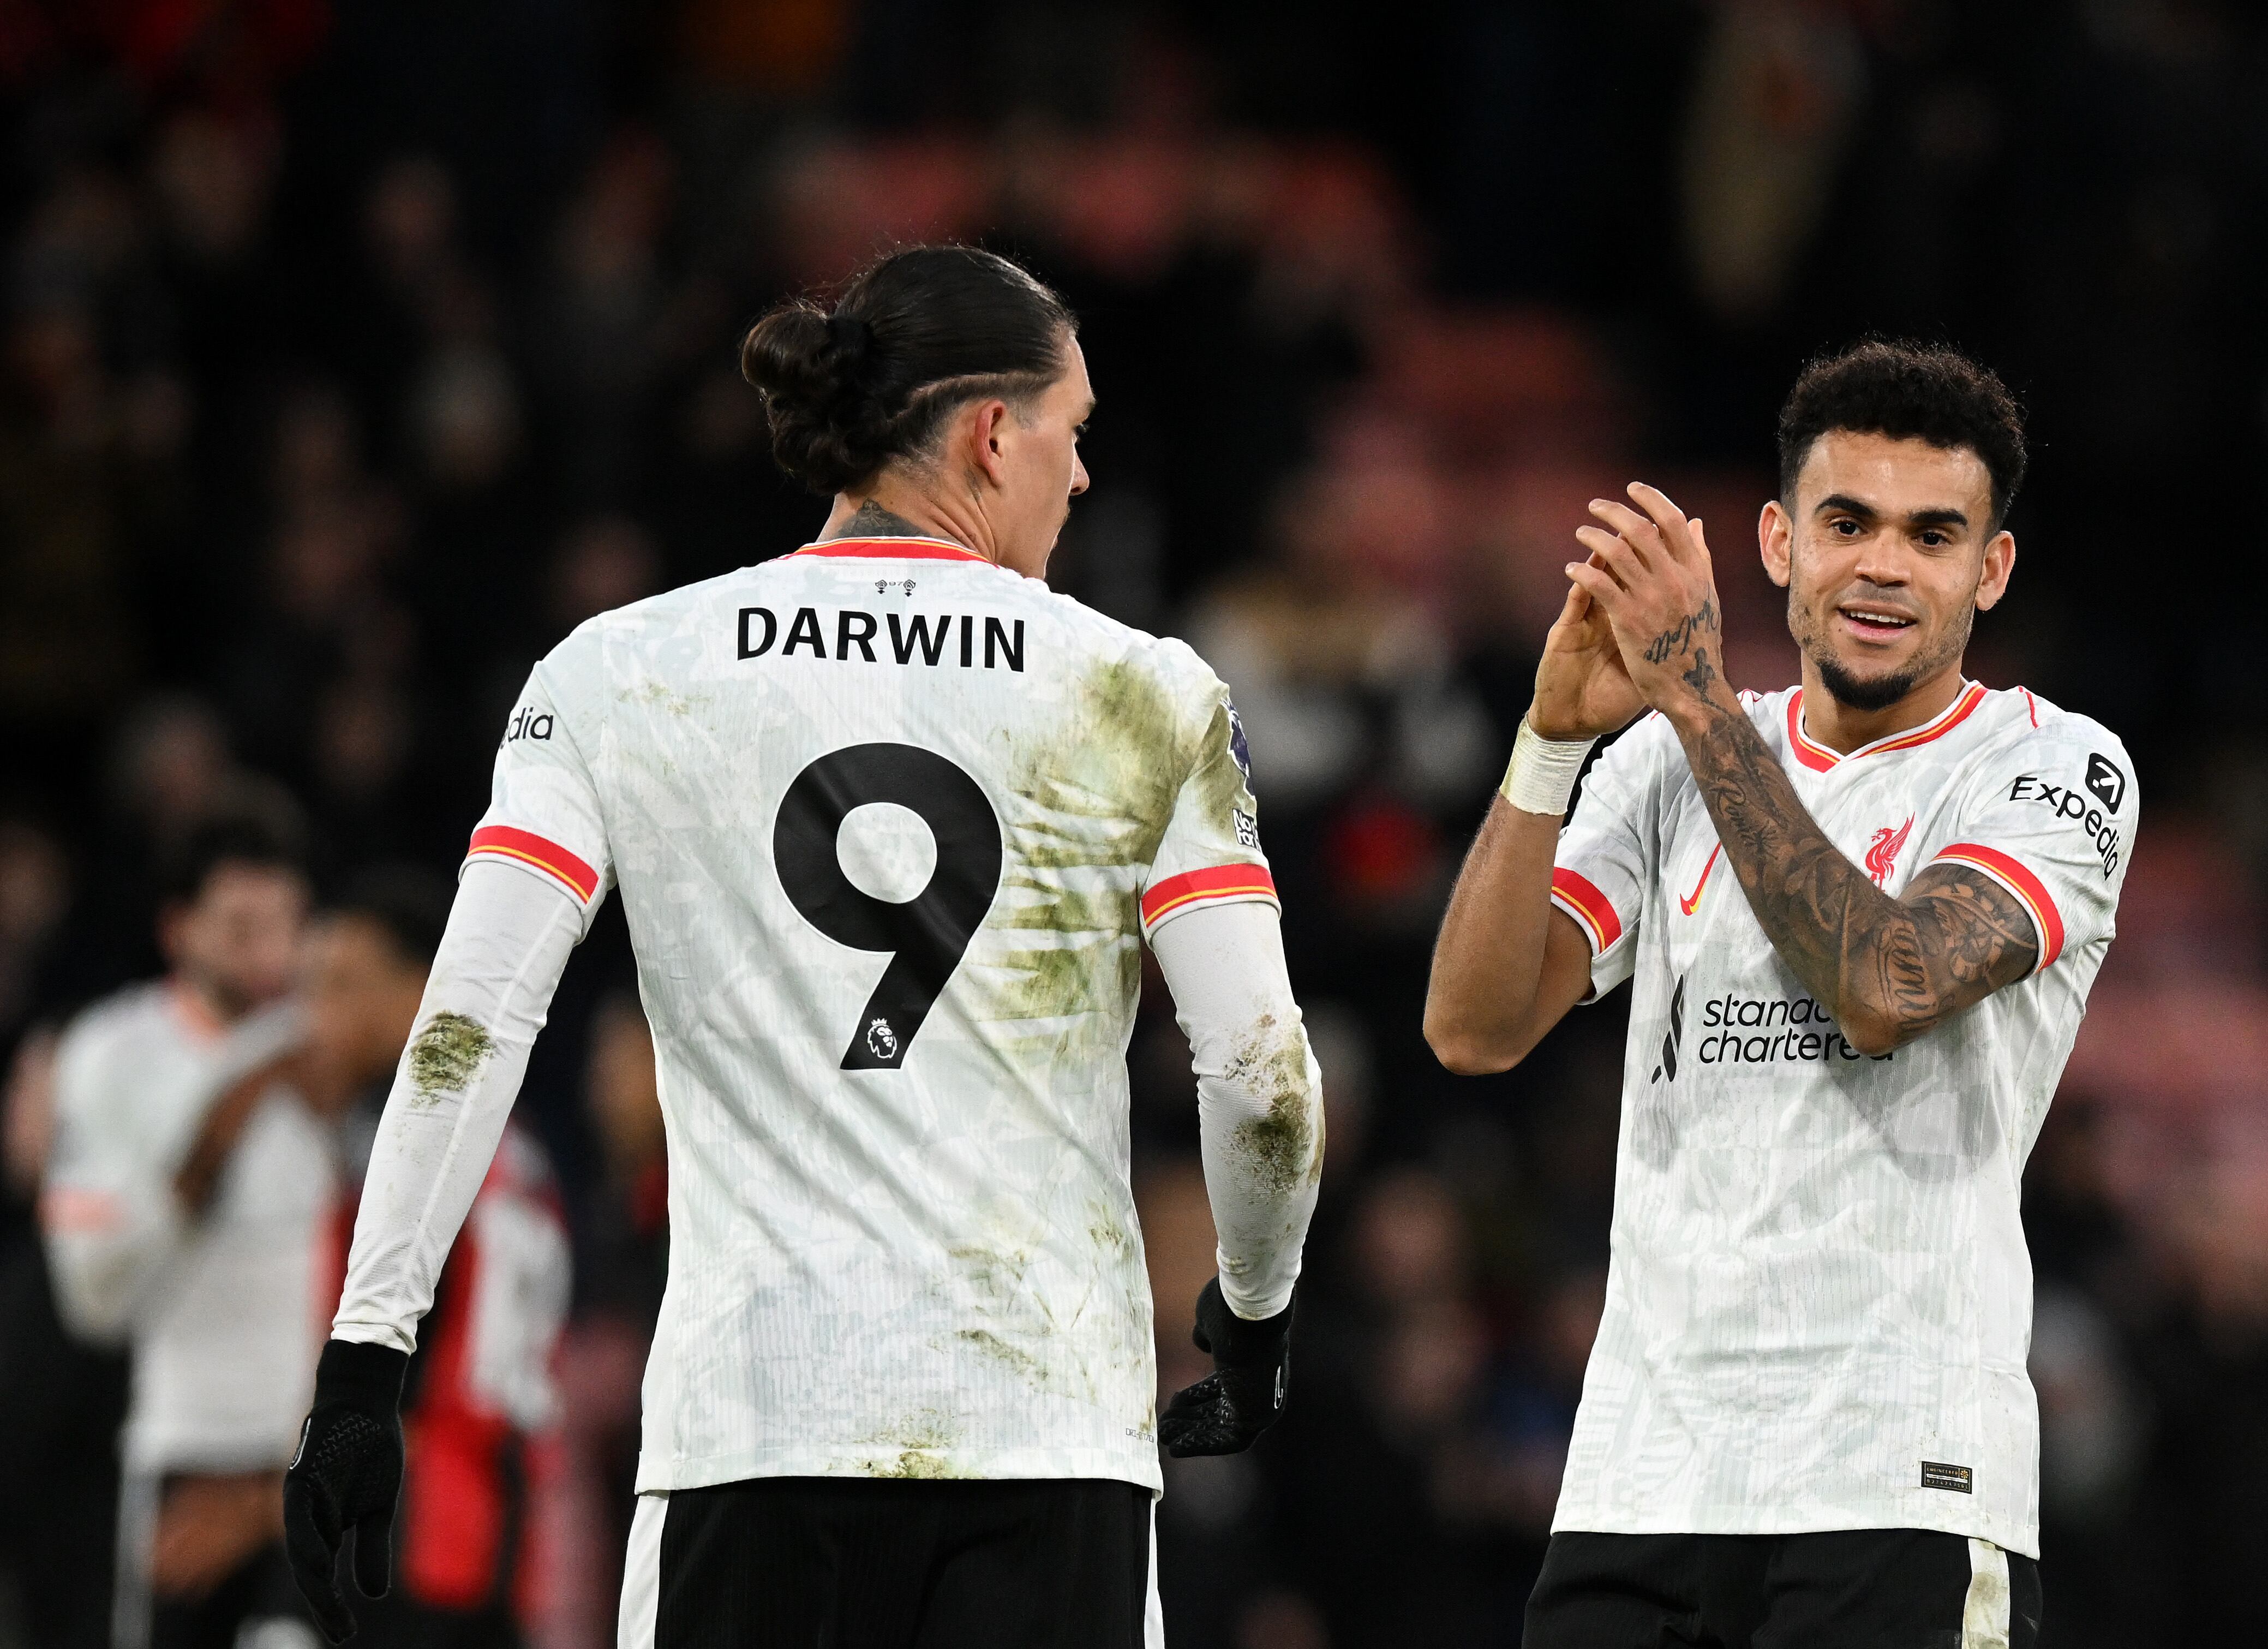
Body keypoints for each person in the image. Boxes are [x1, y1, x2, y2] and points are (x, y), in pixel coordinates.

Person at [282, 244, 1325, 1649]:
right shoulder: (1144, 691)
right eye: (1072, 435)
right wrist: (1251, 1316)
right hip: (1047, 1436)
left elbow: (470, 1023)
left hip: (751, 1433)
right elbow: (1262, 1074)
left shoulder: (622, 670)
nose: (1081, 480)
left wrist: (365, 1361)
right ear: (989, 431)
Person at [1425, 340, 2137, 1648]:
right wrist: (1546, 744)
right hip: (1643, 1476)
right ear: (1774, 541)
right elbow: (1472, 1026)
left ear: (1989, 569)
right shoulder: (1658, 763)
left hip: (1896, 1481)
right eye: (1845, 522)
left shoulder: (2051, 770)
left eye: (1931, 535)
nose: (1880, 565)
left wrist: (1694, 697)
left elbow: (1883, 983)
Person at [250, 869, 570, 1649]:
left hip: (408, 1548)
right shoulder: (510, 1147)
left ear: (417, 994)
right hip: (490, 1544)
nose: (314, 1015)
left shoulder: (424, 1158)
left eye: (341, 984)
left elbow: (437, 1394)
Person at [42, 804, 331, 1649]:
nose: (272, 955)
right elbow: (90, 1295)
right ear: (178, 929)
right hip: (184, 1450)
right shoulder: (111, 1054)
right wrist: (209, 1145)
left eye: (287, 925)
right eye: (242, 928)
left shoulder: (333, 1050)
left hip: (314, 1454)